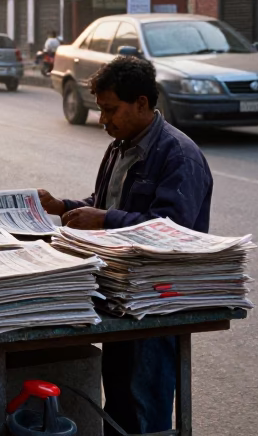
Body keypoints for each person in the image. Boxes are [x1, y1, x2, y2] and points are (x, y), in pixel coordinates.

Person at [37, 56, 213, 434]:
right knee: (118, 397)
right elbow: (106, 204)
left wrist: (104, 219)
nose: (104, 120)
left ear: (143, 104)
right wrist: (61, 207)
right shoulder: (120, 145)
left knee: (144, 403)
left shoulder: (178, 155)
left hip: (158, 298)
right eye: (101, 110)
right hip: (121, 289)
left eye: (111, 110)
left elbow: (173, 229)